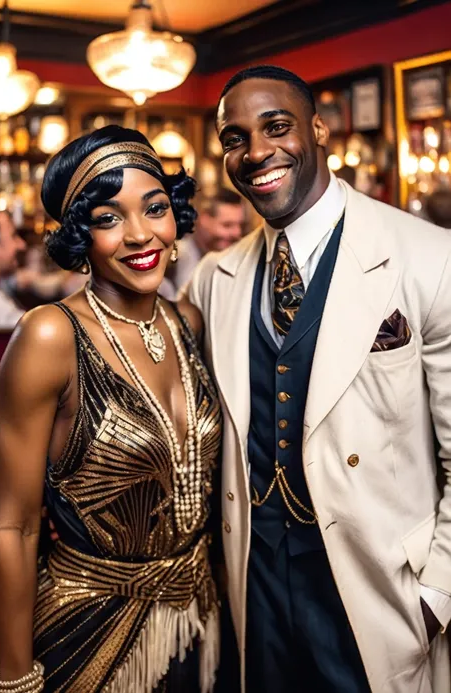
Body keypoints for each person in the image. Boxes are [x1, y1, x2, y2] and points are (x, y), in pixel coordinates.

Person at [188, 65, 451, 693]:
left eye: (276, 127)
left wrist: (435, 593)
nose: (255, 152)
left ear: (320, 129)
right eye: (234, 138)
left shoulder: (428, 257)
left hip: (379, 588)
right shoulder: (213, 278)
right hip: (255, 585)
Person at [0, 125, 221, 693]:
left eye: (155, 208)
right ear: (78, 235)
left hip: (201, 621)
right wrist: (17, 681)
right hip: (89, 634)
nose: (140, 235)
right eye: (108, 218)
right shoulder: (50, 335)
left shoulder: (185, 321)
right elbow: (12, 526)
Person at [160, 188, 245, 299]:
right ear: (204, 219)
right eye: (227, 225)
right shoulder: (176, 257)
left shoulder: (238, 257)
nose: (237, 233)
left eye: (241, 226)